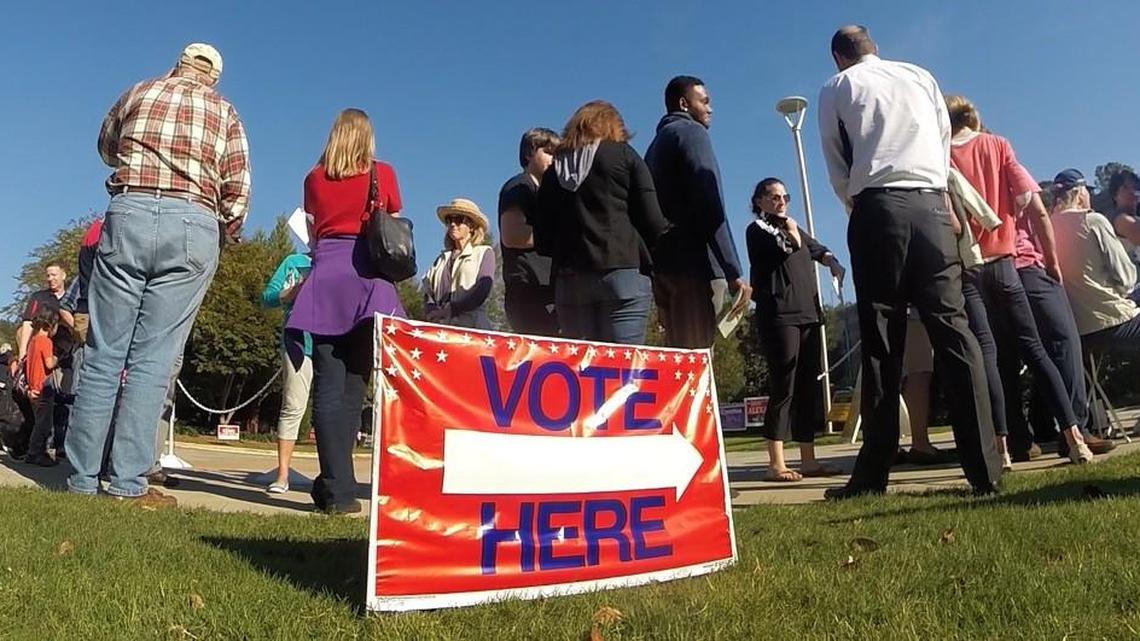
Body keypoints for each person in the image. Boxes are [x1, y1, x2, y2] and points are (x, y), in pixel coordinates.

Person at [817, 25, 1002, 499]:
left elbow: (837, 161)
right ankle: (986, 470)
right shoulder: (920, 76)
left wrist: (856, 202)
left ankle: (873, 474)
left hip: (879, 205)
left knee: (882, 338)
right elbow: (941, 142)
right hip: (931, 205)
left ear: (839, 57)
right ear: (874, 47)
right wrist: (937, 196)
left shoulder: (837, 87)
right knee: (954, 331)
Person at [65, 43, 250, 507]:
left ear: (178, 65)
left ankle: (82, 478)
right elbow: (237, 186)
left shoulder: (139, 92)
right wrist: (228, 224)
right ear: (214, 76)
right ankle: (128, 481)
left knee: (105, 352)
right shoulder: (225, 111)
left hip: (129, 210)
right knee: (152, 360)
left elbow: (107, 147)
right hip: (192, 222)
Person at [945, 96, 1094, 466]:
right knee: (1037, 350)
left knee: (989, 357)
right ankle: (1075, 437)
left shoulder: (938, 156)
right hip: (1007, 264)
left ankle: (1002, 448)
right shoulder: (998, 145)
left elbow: (949, 219)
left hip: (968, 269)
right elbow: (1029, 199)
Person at [286, 108, 405, 514]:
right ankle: (341, 486)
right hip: (368, 278)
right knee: (355, 385)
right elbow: (391, 213)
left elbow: (314, 227)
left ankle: (336, 486)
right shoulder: (382, 172)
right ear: (367, 138)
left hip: (326, 276)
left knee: (328, 385)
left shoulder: (313, 178)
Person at [535, 100, 672, 344]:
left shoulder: (553, 172)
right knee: (622, 370)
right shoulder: (624, 155)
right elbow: (653, 222)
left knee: (581, 372)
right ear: (614, 128)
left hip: (570, 283)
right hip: (624, 276)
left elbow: (543, 240)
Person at [746, 178, 845, 481]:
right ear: (760, 200)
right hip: (780, 315)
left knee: (807, 386)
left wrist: (832, 261)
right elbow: (791, 247)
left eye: (785, 196)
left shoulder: (793, 226)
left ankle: (809, 459)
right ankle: (775, 462)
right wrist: (790, 228)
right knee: (784, 385)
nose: (781, 202)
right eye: (774, 197)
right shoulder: (759, 230)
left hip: (808, 314)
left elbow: (815, 248)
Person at [645, 75, 750, 348]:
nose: (710, 108)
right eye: (704, 101)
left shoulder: (653, 148)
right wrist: (732, 269)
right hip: (697, 267)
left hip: (664, 269)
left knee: (679, 358)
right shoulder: (691, 133)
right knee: (699, 357)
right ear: (684, 103)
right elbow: (709, 200)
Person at [1051, 169, 1140, 350]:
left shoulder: (1046, 227)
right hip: (1113, 318)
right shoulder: (1093, 220)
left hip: (1077, 327)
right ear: (1080, 193)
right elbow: (1127, 279)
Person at [499, 128, 561, 336]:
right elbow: (512, 234)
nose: (555, 159)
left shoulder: (544, 192)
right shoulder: (519, 186)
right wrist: (559, 237)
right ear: (529, 153)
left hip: (546, 291)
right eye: (549, 152)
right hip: (528, 292)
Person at [260, 250, 313, 493]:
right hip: (297, 342)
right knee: (293, 407)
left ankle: (332, 478)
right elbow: (267, 297)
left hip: (334, 345)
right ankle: (282, 474)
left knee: (331, 412)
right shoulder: (295, 262)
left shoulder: (341, 258)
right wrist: (291, 293)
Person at [423, 199, 496, 329]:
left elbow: (483, 290)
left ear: (471, 226)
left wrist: (453, 309)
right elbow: (427, 293)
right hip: (441, 330)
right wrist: (432, 312)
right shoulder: (440, 260)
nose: (452, 224)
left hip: (472, 328)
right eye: (449, 220)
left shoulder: (484, 253)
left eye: (458, 220)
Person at [21, 309, 61, 467]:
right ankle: (36, 453)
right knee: (44, 424)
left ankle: (35, 451)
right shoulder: (46, 341)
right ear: (50, 325)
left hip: (33, 387)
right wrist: (57, 358)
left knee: (38, 421)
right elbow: (49, 363)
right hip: (43, 387)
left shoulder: (33, 341)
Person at [1106, 169, 1140, 280]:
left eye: (1135, 187)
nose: (1132, 191)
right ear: (1115, 195)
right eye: (1125, 188)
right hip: (1129, 287)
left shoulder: (1134, 218)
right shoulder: (1119, 219)